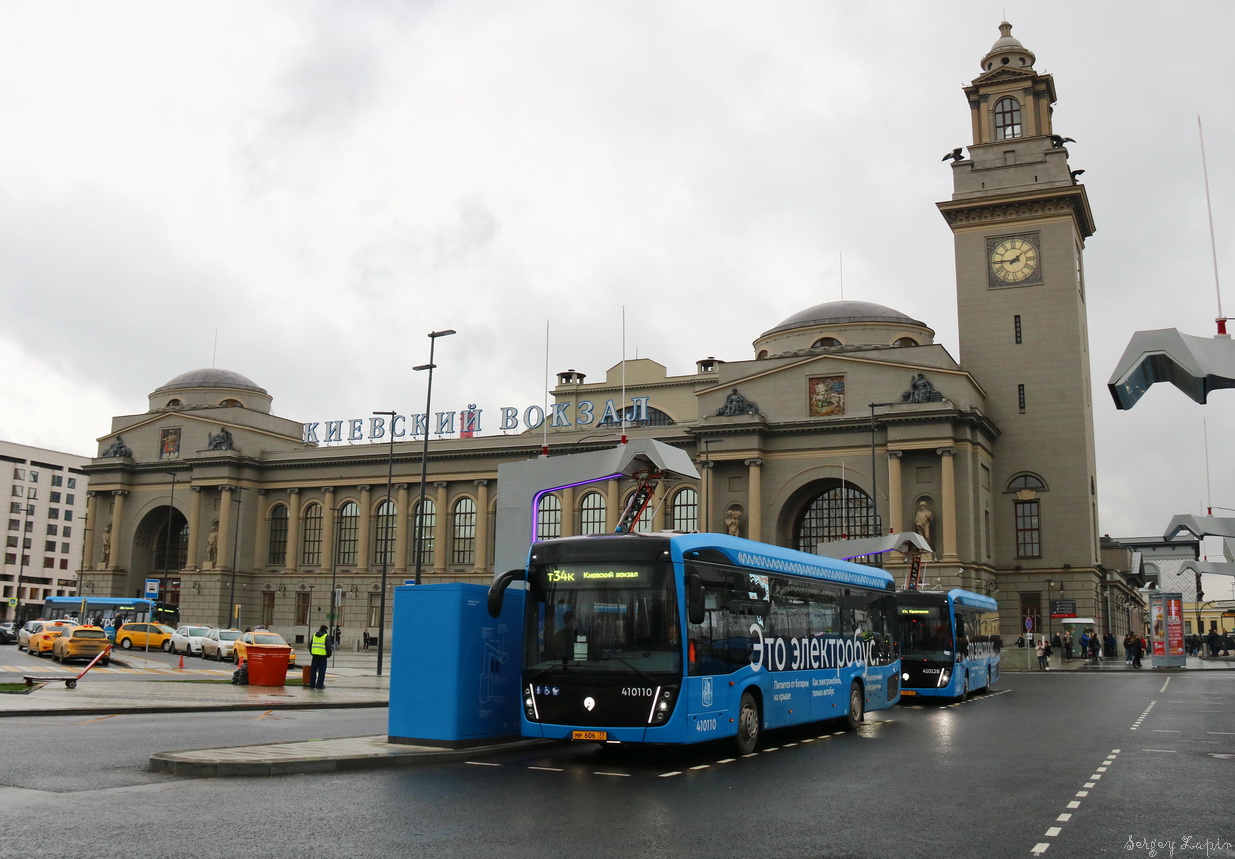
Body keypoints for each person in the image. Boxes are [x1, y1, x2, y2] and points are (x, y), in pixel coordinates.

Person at [309, 624, 331, 690]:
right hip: (323, 657)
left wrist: (312, 653)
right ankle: (319, 685)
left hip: (315, 656)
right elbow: (328, 647)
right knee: (322, 672)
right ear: (325, 630)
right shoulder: (326, 636)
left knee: (313, 671)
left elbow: (310, 645)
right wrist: (328, 655)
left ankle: (312, 684)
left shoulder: (314, 635)